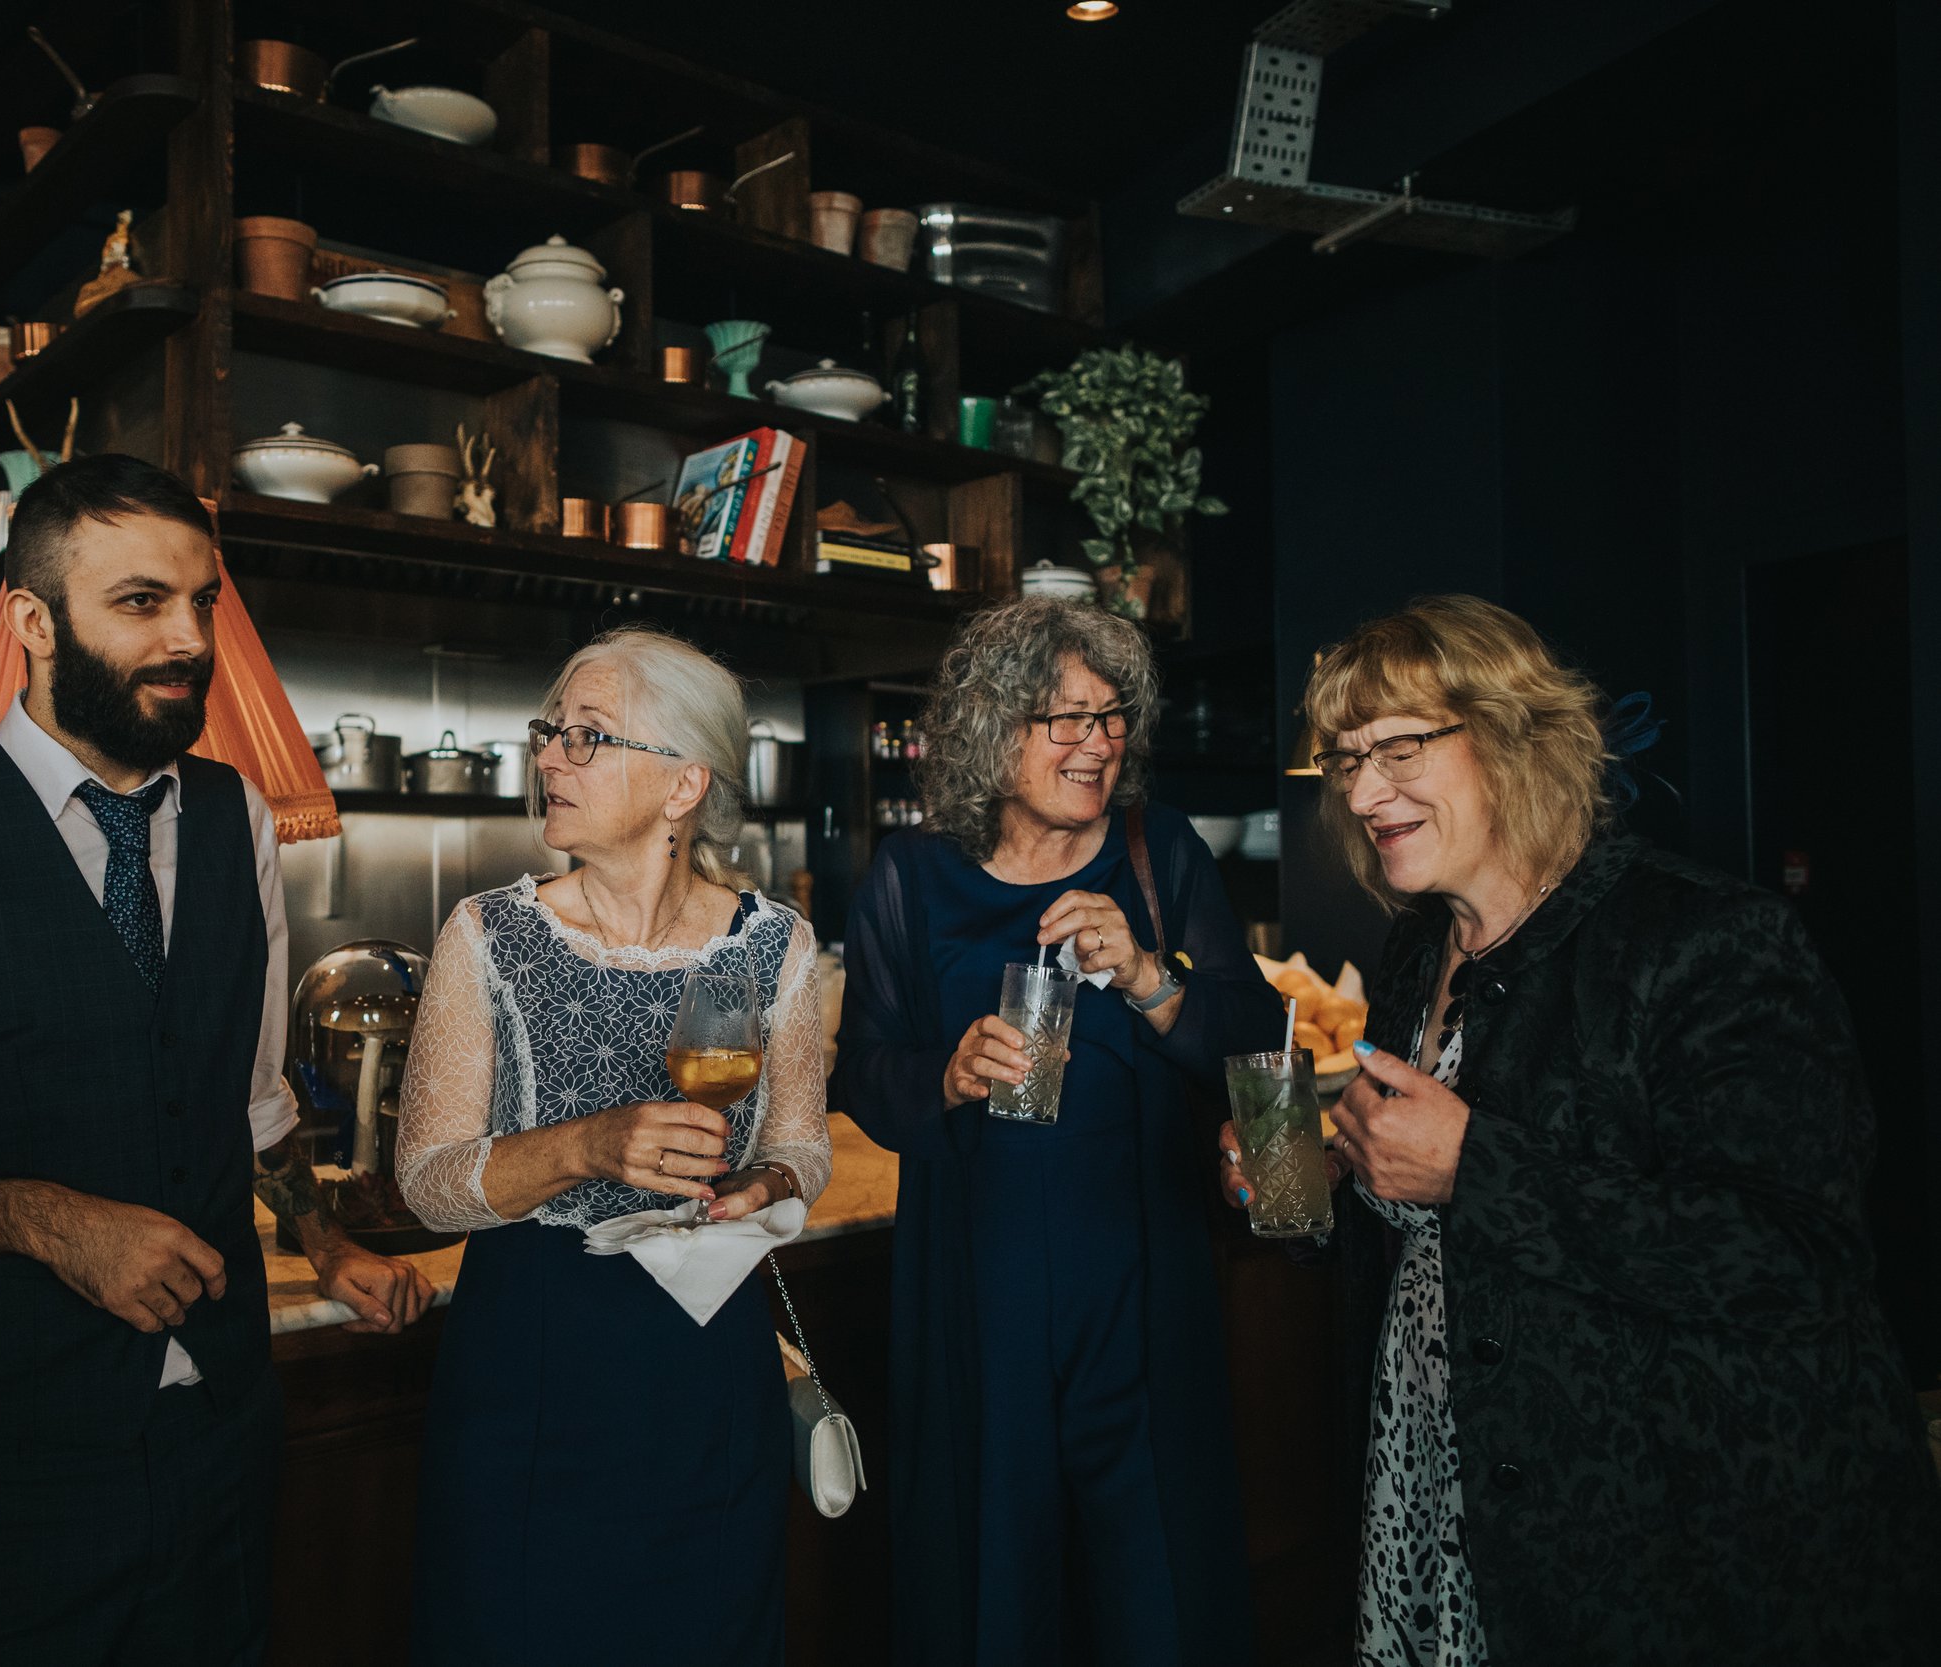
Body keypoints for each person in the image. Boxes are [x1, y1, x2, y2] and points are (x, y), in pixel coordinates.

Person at [0, 453, 433, 1665]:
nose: (188, 640)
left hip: (218, 1439)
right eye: (140, 601)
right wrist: (45, 1220)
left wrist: (323, 1239)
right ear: (30, 621)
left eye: (202, 601)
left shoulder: (238, 819)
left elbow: (249, 1100)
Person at [1221, 595, 1941, 1664]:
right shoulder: (1424, 949)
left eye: (1400, 746)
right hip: (1444, 1481)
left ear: (1512, 735)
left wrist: (1476, 1167)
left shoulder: (1705, 941)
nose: (1365, 791)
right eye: (1346, 760)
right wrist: (1332, 1179)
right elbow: (1431, 1228)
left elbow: (1795, 1254)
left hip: (1662, 1537)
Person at [834, 596, 1278, 1665]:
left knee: (1150, 1573)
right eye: (1064, 718)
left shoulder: (1156, 852)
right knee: (995, 1566)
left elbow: (1256, 1036)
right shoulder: (911, 875)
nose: (1097, 742)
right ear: (994, 728)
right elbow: (862, 1069)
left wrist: (1146, 976)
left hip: (1138, 1280)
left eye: (1111, 715)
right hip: (975, 1286)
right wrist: (946, 1073)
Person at [394, 626, 831, 1667]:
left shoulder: (777, 945)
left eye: (586, 737)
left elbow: (801, 1148)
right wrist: (589, 1143)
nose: (547, 756)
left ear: (684, 783)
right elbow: (425, 1183)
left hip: (708, 1364)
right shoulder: (485, 935)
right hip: (534, 1364)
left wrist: (764, 1182)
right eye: (552, 731)